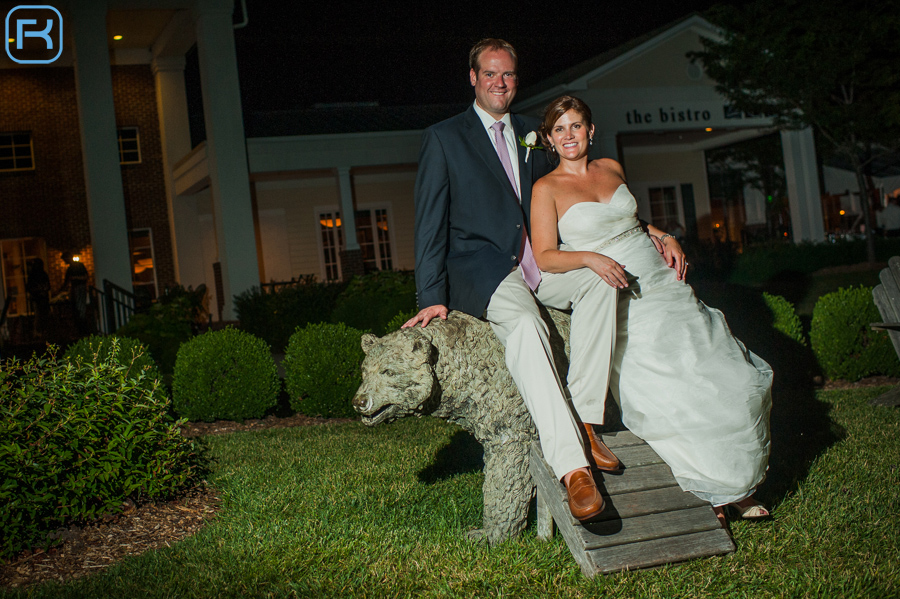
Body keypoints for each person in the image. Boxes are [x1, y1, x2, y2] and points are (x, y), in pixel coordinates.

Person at [404, 39, 630, 522]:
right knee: (527, 327)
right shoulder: (444, 138)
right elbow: (428, 223)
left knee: (602, 281)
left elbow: (578, 188)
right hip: (485, 268)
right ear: (473, 77)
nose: (499, 83)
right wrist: (431, 296)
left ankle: (589, 420)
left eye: (507, 75)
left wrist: (651, 232)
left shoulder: (534, 132)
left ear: (516, 79)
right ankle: (574, 469)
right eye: (490, 74)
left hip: (542, 262)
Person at [530, 95, 773, 524]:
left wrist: (669, 235)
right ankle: (711, 491)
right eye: (560, 129)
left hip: (661, 282)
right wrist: (589, 258)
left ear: (590, 129)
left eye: (577, 125)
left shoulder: (612, 169)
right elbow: (546, 256)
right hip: (616, 291)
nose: (570, 135)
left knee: (722, 371)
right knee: (672, 381)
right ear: (549, 138)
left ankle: (737, 487)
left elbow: (631, 223)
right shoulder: (546, 188)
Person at [58, 251, 91, 336]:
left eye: (65, 259)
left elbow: (85, 277)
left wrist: (75, 278)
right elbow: (67, 282)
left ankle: (83, 330)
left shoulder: (77, 267)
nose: (65, 261)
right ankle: (81, 330)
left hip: (79, 289)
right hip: (77, 289)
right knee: (77, 309)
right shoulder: (71, 268)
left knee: (80, 309)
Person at [26, 258, 51, 339]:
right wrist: (39, 290)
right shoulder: (33, 275)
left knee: (44, 315)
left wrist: (43, 290)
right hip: (37, 299)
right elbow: (29, 288)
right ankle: (38, 332)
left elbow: (48, 286)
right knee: (38, 316)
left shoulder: (42, 274)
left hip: (43, 299)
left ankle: (44, 331)